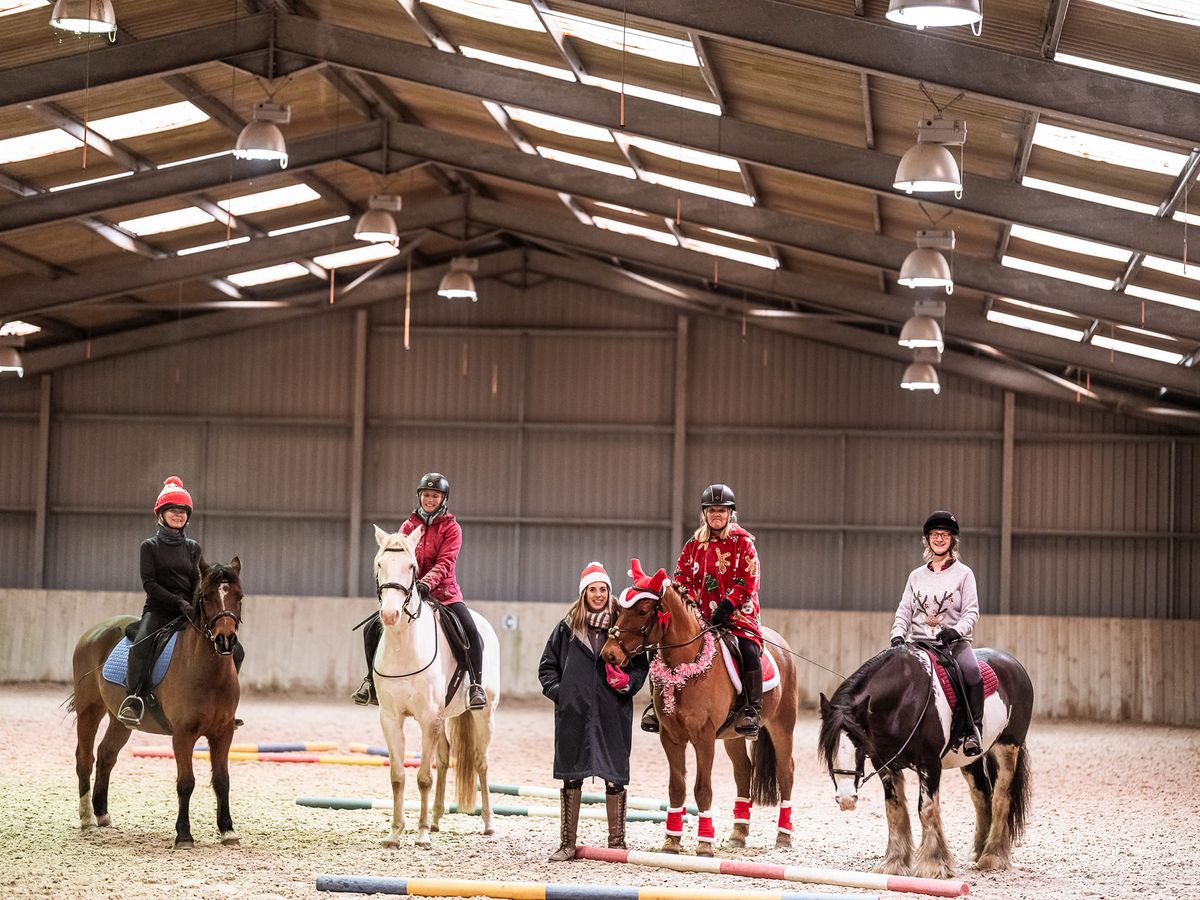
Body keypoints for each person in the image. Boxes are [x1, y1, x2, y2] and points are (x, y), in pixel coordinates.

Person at [538, 561, 649, 862]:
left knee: (615, 776)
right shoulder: (566, 628)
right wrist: (562, 694)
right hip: (574, 712)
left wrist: (627, 683)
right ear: (584, 593)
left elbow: (641, 666)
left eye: (603, 589)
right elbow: (547, 667)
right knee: (571, 776)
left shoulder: (622, 626)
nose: (598, 595)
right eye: (592, 590)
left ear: (609, 592)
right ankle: (567, 844)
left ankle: (617, 843)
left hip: (613, 710)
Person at [353, 472, 487, 710]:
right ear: (419, 496)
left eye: (434, 496)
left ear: (443, 499)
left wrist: (427, 583)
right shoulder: (408, 526)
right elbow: (400, 560)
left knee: (471, 632)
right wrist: (410, 586)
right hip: (410, 594)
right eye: (426, 495)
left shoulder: (451, 528)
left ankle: (476, 684)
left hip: (444, 593)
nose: (429, 499)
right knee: (369, 630)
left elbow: (446, 562)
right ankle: (371, 683)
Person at [652, 483, 763, 738]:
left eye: (721, 510)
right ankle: (656, 706)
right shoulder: (693, 544)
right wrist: (690, 606)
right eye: (711, 510)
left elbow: (749, 579)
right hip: (698, 616)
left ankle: (751, 709)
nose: (716, 515)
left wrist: (726, 606)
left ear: (730, 513)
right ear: (704, 513)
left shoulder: (743, 543)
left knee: (748, 650)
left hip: (736, 615)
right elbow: (681, 579)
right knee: (661, 648)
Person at [890, 509, 984, 757]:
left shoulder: (964, 574)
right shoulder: (916, 576)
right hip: (918, 644)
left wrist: (956, 631)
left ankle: (973, 729)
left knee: (972, 672)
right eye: (934, 534)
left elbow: (971, 611)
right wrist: (897, 634)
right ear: (927, 539)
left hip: (952, 644)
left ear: (952, 539)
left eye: (944, 534)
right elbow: (904, 611)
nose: (939, 538)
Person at [117, 476, 202, 727]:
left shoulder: (193, 547)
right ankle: (133, 699)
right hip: (159, 609)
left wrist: (195, 603)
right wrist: (177, 602)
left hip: (189, 611)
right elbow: (149, 584)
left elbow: (197, 579)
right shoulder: (149, 546)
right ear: (161, 514)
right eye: (172, 511)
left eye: (182, 511)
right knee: (141, 646)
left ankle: (223, 705)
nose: (178, 515)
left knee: (230, 647)